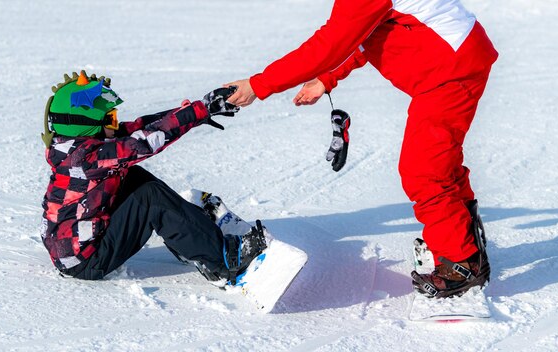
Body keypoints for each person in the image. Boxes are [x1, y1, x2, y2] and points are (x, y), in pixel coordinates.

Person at [225, 0, 497, 298]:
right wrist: (326, 78)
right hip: (451, 61)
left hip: (451, 70)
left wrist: (258, 85)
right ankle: (466, 245)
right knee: (439, 161)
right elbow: (362, 33)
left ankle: (460, 261)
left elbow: (331, 43)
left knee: (424, 171)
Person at [39, 70, 266, 284]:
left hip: (78, 245)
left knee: (135, 177)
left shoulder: (75, 144)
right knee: (150, 198)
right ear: (85, 124)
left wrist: (197, 110)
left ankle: (191, 232)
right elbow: (143, 142)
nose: (116, 124)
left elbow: (142, 127)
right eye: (110, 120)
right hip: (86, 261)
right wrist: (200, 111)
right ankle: (225, 260)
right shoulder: (85, 158)